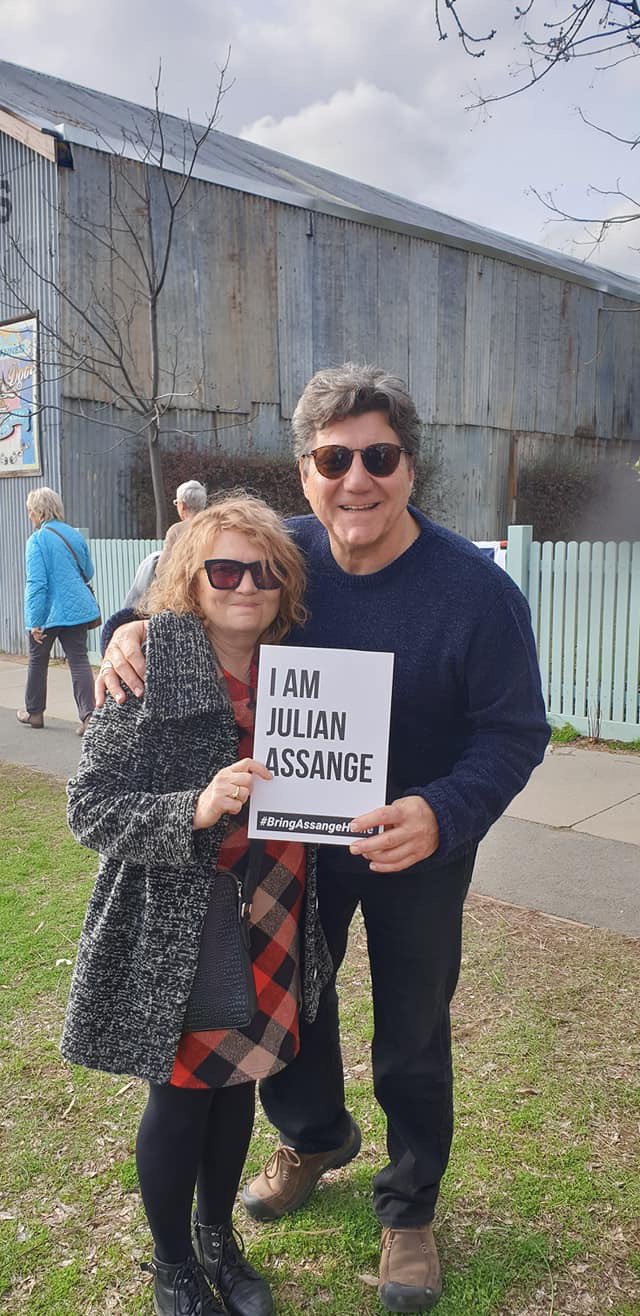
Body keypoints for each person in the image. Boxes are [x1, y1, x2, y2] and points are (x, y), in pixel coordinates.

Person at [97, 364, 550, 1313]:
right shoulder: (285, 553)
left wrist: (444, 811)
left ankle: (409, 1206)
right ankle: (313, 1136)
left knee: (413, 1026)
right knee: (291, 1004)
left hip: (416, 844)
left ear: (410, 466)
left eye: (379, 457)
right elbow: (196, 590)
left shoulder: (476, 592)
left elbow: (514, 733)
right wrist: (126, 629)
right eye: (334, 459)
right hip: (293, 840)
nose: (357, 480)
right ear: (304, 472)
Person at [62, 494, 332, 1316]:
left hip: (277, 909)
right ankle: (173, 1265)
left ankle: (218, 1238)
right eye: (224, 570)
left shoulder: (303, 668)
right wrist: (195, 807)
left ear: (286, 586)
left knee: (240, 1084)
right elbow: (89, 807)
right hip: (187, 924)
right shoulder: (148, 666)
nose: (246, 585)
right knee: (181, 1098)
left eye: (266, 572)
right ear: (191, 577)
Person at [17, 487, 99, 735]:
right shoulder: (74, 536)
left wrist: (35, 621)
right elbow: (88, 571)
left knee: (38, 660)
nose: (29, 516)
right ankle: (88, 717)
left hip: (49, 613)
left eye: (31, 511)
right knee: (79, 660)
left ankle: (34, 713)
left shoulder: (37, 540)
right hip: (77, 611)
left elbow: (37, 583)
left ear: (40, 513)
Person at [155, 479, 208, 577]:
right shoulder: (214, 525)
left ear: (182, 506)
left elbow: (162, 570)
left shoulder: (176, 530)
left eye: (177, 503)